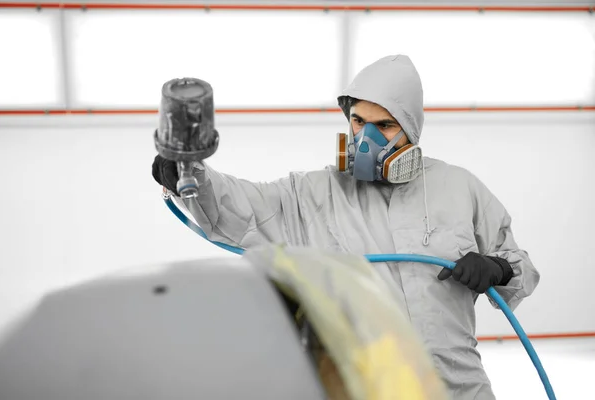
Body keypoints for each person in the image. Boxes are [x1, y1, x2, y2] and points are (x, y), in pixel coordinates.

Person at [152, 55, 540, 399]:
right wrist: (191, 175)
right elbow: (241, 207)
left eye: (384, 125)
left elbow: (519, 265)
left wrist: (498, 268)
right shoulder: (315, 193)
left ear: (411, 129)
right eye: (358, 122)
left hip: (461, 387)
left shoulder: (459, 187)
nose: (365, 139)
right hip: (372, 388)